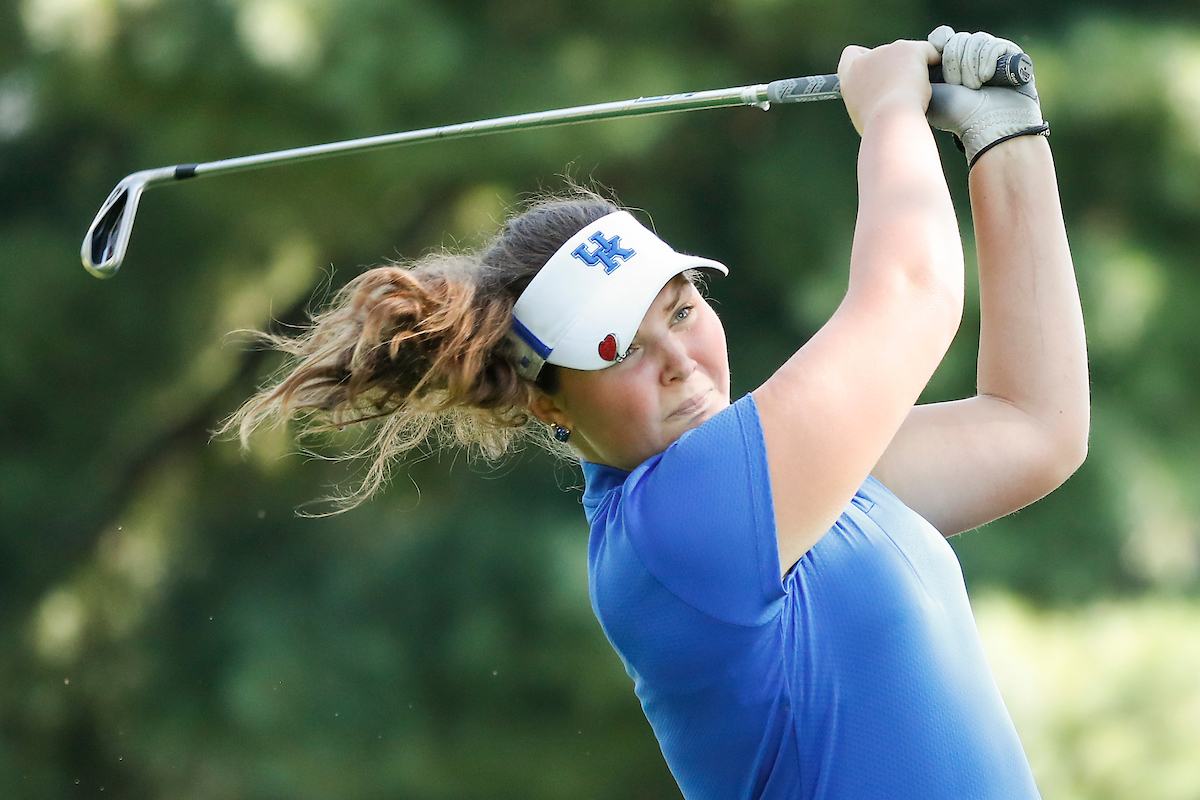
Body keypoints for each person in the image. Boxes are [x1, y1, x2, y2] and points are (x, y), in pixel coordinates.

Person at [226, 26, 1088, 800]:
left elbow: (1033, 427)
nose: (679, 362)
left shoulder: (795, 479)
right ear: (545, 402)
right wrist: (890, 111)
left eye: (678, 311)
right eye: (619, 349)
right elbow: (912, 295)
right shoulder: (675, 527)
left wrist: (1005, 137)